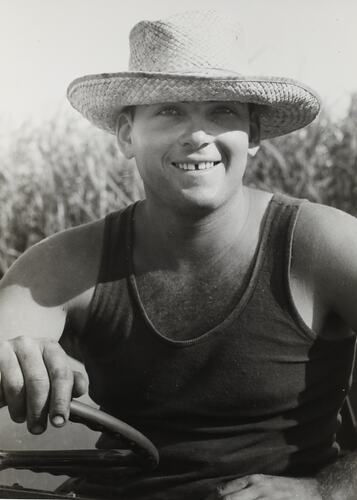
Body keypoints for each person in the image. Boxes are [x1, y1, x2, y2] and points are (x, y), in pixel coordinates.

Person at [0, 9, 357, 500]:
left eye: (222, 112)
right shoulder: (62, 263)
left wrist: (323, 490)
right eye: (169, 111)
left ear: (252, 136)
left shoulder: (325, 245)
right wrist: (13, 355)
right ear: (127, 135)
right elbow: (8, 334)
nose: (197, 134)